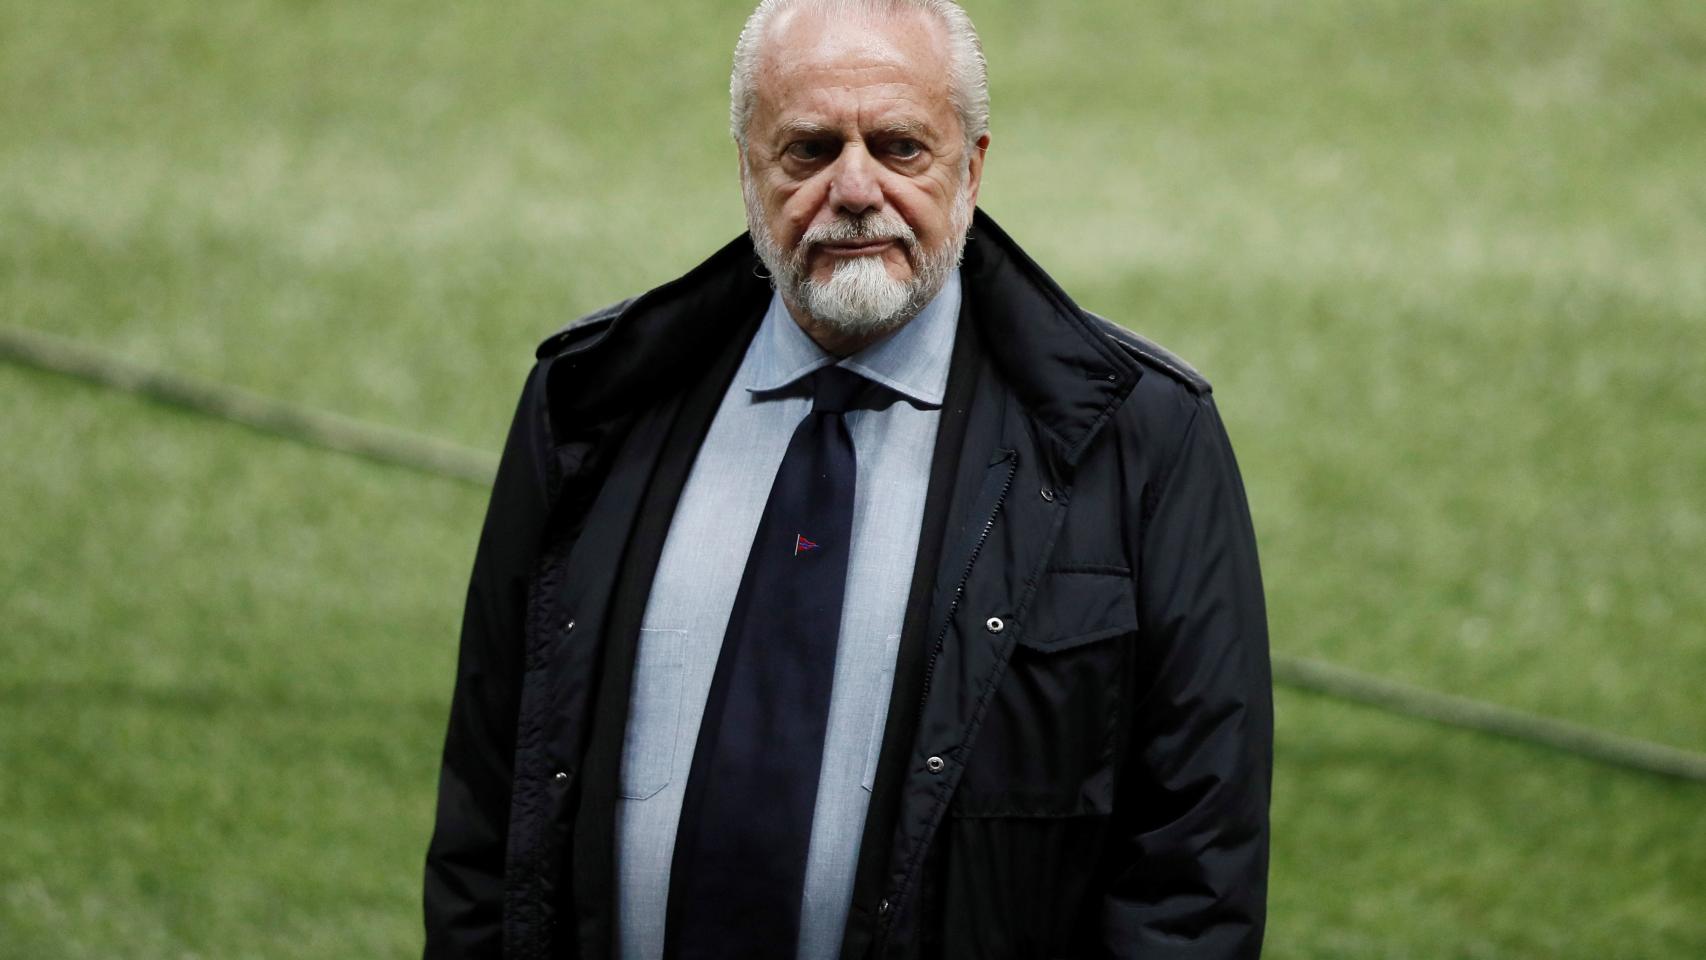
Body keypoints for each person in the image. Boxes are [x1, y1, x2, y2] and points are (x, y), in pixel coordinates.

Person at [422, 0, 1272, 957]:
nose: (856, 188)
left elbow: (1193, 875)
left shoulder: (1142, 437)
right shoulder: (590, 406)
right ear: (747, 166)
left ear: (973, 167)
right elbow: (489, 814)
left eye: (901, 147)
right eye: (810, 149)